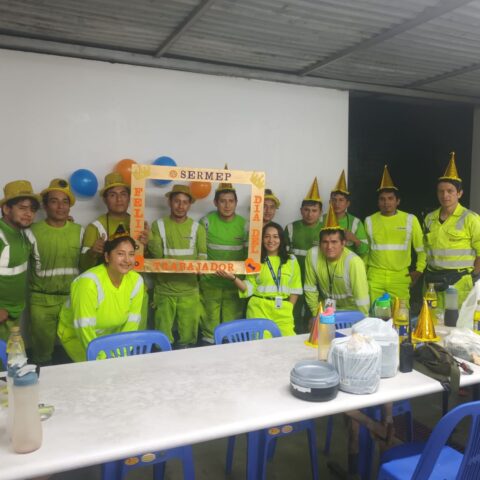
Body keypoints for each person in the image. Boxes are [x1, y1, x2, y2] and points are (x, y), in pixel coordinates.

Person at [58, 234, 144, 362]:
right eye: (120, 254)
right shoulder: (88, 282)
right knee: (95, 372)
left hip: (109, 336)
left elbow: (132, 323)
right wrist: (102, 359)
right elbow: (84, 327)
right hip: (78, 336)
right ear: (107, 257)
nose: (127, 260)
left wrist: (121, 353)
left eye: (131, 254)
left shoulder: (136, 281)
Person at [25, 179, 84, 365]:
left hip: (71, 299)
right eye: (54, 201)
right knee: (42, 355)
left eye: (65, 202)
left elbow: (87, 265)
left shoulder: (79, 231)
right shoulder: (31, 231)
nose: (60, 206)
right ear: (45, 205)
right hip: (41, 301)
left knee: (75, 351)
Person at [217, 222, 302, 336]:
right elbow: (248, 287)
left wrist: (289, 307)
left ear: (281, 239)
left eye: (275, 236)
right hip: (258, 309)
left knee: (286, 342)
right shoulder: (254, 261)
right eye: (267, 236)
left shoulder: (291, 260)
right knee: (261, 344)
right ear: (261, 239)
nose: (271, 240)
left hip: (283, 310)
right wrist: (233, 278)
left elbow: (295, 288)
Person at [148, 184, 207, 348]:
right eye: (177, 201)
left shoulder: (197, 228)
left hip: (189, 291)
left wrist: (200, 268)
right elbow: (157, 257)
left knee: (187, 339)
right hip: (164, 290)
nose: (181, 206)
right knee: (162, 339)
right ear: (169, 202)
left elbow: (202, 257)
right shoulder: (158, 225)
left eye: (185, 202)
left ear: (190, 205)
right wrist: (150, 241)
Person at [424, 152, 480, 309]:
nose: (445, 195)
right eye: (441, 191)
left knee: (456, 321)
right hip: (432, 282)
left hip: (459, 283)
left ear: (459, 193)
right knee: (432, 320)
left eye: (450, 191)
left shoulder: (470, 218)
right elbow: (425, 250)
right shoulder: (429, 218)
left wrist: (473, 275)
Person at [364, 165, 425, 306]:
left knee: (400, 314)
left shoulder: (410, 219)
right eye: (382, 199)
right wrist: (363, 274)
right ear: (378, 202)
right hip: (375, 276)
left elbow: (422, 249)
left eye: (390, 198)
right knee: (375, 314)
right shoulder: (369, 221)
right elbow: (366, 252)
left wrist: (419, 270)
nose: (386, 203)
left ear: (398, 201)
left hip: (400, 276)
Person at [199, 179, 248, 344]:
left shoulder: (244, 225)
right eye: (222, 201)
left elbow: (249, 255)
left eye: (231, 201)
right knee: (209, 328)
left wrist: (240, 280)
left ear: (236, 203)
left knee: (231, 328)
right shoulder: (206, 222)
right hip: (210, 282)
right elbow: (200, 251)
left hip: (234, 283)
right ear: (215, 202)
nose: (227, 205)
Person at [304, 205, 370, 317]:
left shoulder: (354, 262)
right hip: (326, 310)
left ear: (343, 243)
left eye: (334, 242)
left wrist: (363, 320)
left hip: (351, 312)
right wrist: (316, 314)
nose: (329, 247)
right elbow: (310, 288)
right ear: (319, 243)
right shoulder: (312, 254)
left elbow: (361, 298)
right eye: (325, 242)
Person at [0, 180, 40, 341]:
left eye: (32, 209)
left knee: (11, 354)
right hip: (1, 312)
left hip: (13, 312)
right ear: (6, 209)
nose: (29, 213)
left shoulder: (23, 232)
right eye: (22, 208)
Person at [284, 177, 323, 333]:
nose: (309, 214)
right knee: (292, 311)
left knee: (313, 313)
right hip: (294, 280)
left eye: (314, 210)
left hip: (316, 280)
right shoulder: (291, 228)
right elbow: (284, 256)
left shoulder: (325, 229)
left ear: (320, 212)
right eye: (306, 210)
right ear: (301, 210)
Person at [322, 170, 369, 259]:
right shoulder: (321, 220)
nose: (337, 203)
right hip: (325, 263)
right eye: (334, 200)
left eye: (341, 200)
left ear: (347, 204)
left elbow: (364, 250)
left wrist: (354, 239)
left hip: (347, 264)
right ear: (330, 202)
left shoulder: (355, 222)